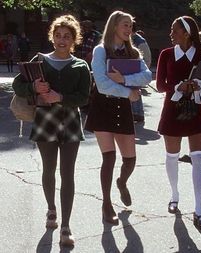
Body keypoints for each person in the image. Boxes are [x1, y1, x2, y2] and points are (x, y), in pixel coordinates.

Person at [12, 15, 91, 247]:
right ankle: (51, 210)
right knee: (49, 169)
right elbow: (18, 85)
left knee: (68, 174)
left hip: (70, 122)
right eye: (58, 35)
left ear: (73, 39)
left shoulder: (80, 65)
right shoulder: (40, 60)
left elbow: (85, 97)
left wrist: (61, 97)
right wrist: (33, 87)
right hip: (45, 119)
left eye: (67, 36)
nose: (61, 40)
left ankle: (66, 226)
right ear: (52, 37)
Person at [85, 10, 152, 225]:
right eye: (125, 25)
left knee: (130, 160)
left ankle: (122, 182)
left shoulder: (132, 51)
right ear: (114, 26)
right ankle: (106, 204)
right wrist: (128, 92)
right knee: (109, 157)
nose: (129, 29)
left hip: (122, 109)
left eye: (130, 25)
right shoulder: (100, 50)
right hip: (102, 107)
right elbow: (102, 84)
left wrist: (124, 78)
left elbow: (147, 75)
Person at [156, 16, 201, 226]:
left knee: (198, 157)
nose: (171, 33)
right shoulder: (166, 54)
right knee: (172, 156)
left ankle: (199, 209)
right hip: (172, 110)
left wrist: (200, 85)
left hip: (196, 111)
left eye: (175, 30)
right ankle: (174, 195)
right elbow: (160, 85)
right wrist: (178, 86)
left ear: (187, 33)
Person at [131, 23, 152, 123]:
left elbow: (146, 58)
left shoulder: (139, 41)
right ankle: (135, 113)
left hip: (137, 71)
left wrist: (142, 73)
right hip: (131, 71)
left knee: (135, 91)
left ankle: (138, 113)